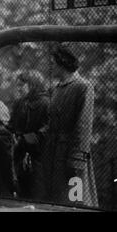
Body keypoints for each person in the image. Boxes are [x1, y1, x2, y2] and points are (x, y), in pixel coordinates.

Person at [45, 44, 98, 207]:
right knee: (57, 201)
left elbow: (83, 127)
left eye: (53, 63)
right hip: (53, 155)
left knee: (76, 201)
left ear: (63, 63)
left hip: (71, 156)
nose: (51, 66)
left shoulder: (83, 87)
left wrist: (76, 160)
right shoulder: (56, 89)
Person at [9, 71, 49, 200]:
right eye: (18, 85)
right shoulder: (19, 104)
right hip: (19, 156)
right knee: (22, 194)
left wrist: (25, 140)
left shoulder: (46, 103)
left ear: (32, 85)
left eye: (22, 85)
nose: (19, 88)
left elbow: (48, 130)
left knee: (38, 195)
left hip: (39, 158)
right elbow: (11, 125)